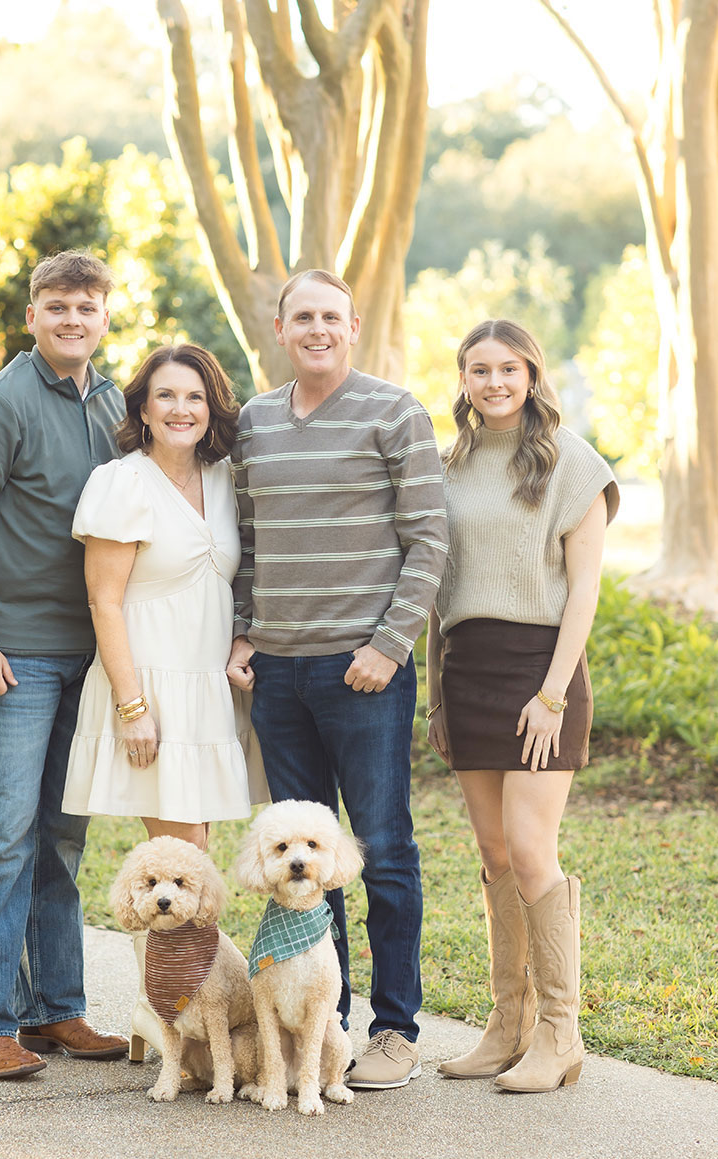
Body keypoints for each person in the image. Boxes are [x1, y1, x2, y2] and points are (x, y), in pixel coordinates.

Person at [226, 269, 449, 1090]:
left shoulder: (394, 411)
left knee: (382, 847)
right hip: (278, 677)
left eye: (331, 316)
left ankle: (395, 1027)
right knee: (303, 864)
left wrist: (389, 646)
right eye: (302, 317)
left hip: (365, 671)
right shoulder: (252, 421)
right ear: (280, 329)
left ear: (353, 324)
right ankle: (333, 1026)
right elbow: (246, 539)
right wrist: (246, 632)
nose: (318, 328)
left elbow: (429, 538)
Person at [0, 249, 129, 1079]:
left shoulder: (115, 400)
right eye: (58, 307)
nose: (73, 319)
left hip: (86, 658)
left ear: (106, 316)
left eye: (87, 307)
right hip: (11, 658)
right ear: (33, 316)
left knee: (61, 838)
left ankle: (54, 1010)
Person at [61, 342, 268, 1060]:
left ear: (211, 408)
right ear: (142, 410)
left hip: (210, 687)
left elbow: (234, 581)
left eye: (194, 397)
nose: (181, 408)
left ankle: (178, 1014)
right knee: (188, 865)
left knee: (192, 866)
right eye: (166, 396)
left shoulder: (223, 475)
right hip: (149, 686)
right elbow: (104, 600)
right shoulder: (122, 483)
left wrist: (243, 643)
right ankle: (182, 1015)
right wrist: (131, 705)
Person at [428, 318, 619, 1094]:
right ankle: (506, 1024)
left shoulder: (573, 462)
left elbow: (586, 591)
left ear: (533, 375)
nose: (495, 382)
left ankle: (558, 1033)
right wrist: (438, 689)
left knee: (533, 850)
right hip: (468, 668)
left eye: (509, 368)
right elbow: (440, 592)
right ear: (464, 380)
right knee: (494, 855)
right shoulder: (451, 464)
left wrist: (551, 692)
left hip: (542, 671)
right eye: (480, 370)